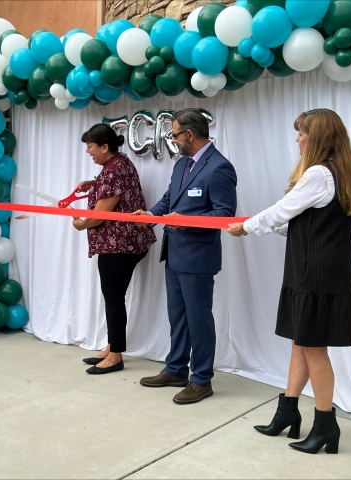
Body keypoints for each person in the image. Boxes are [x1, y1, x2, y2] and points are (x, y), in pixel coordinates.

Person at [227, 109, 351, 455]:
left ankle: (325, 424)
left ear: (316, 137)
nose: (297, 138)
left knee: (314, 349)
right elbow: (298, 222)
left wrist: (247, 226)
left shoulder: (319, 173)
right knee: (300, 344)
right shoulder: (341, 172)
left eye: (302, 133)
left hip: (313, 274)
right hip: (318, 271)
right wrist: (265, 223)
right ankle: (287, 412)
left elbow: (279, 212)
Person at [133, 109, 237, 404]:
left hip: (198, 258)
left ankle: (201, 380)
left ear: (189, 135)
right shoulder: (181, 165)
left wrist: (187, 221)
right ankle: (176, 368)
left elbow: (224, 216)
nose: (174, 140)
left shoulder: (219, 168)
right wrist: (151, 214)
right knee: (177, 317)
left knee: (198, 319)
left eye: (175, 135)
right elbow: (170, 199)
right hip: (174, 253)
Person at [72, 124, 156, 375]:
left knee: (113, 297)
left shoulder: (112, 172)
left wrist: (81, 224)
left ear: (104, 147)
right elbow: (116, 192)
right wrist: (93, 184)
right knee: (114, 296)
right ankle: (112, 346)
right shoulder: (120, 163)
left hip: (119, 244)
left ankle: (116, 355)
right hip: (131, 240)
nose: (88, 151)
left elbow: (99, 217)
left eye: (90, 146)